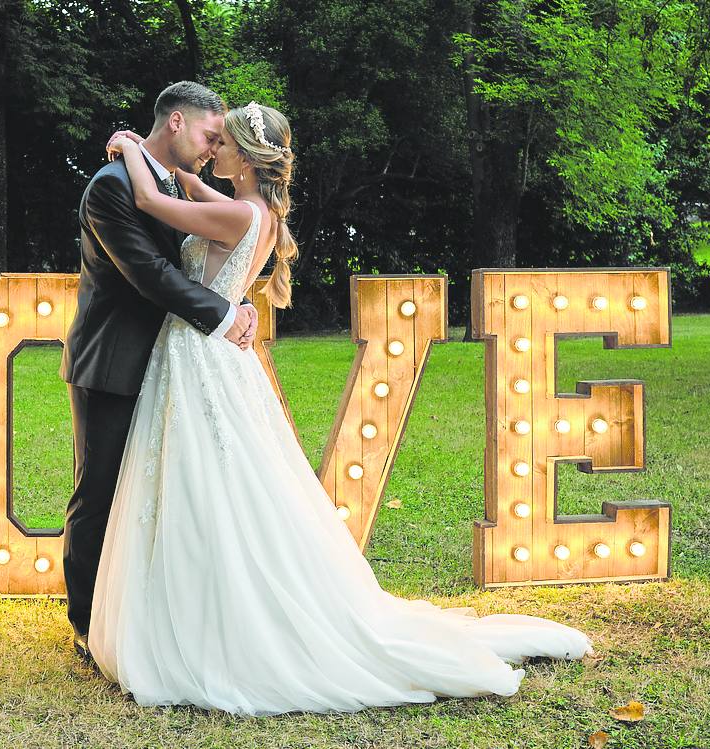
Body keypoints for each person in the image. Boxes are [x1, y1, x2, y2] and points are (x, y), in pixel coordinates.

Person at [86, 99, 594, 717]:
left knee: (209, 484)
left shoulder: (236, 212)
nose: (210, 150)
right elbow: (185, 190)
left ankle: (209, 621)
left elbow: (154, 203)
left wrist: (129, 146)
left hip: (201, 355)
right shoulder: (253, 208)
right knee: (203, 482)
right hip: (205, 356)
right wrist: (162, 164)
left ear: (243, 156)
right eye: (209, 139)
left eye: (222, 143)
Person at [61, 82, 259, 663]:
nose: (210, 149)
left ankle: (145, 618)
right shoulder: (112, 186)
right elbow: (147, 271)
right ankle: (86, 624)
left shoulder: (167, 182)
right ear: (175, 122)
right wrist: (224, 314)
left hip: (173, 365)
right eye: (207, 136)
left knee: (160, 494)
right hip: (115, 362)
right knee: (99, 492)